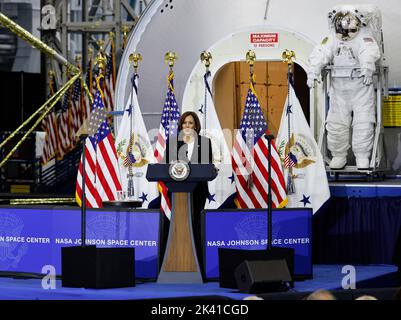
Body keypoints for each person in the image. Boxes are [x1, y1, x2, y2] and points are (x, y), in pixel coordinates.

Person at [307, 5, 381, 170]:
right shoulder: (333, 38)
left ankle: (362, 156)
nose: (345, 30)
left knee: (363, 122)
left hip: (361, 87)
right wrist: (312, 71)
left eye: (349, 24)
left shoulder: (363, 36)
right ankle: (338, 156)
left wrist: (367, 68)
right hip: (339, 89)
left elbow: (368, 52)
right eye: (341, 25)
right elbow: (321, 52)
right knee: (336, 123)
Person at [163, 111, 213, 275]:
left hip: (197, 190)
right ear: (180, 125)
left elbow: (207, 166)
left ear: (196, 125)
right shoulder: (172, 143)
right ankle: (177, 261)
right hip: (177, 192)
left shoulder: (204, 143)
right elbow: (166, 166)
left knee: (196, 223)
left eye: (190, 123)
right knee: (179, 224)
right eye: (185, 123)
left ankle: (198, 264)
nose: (187, 126)